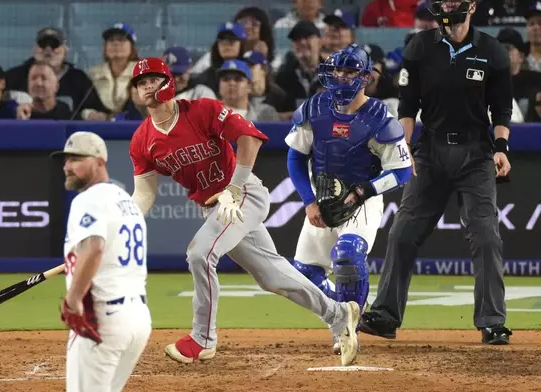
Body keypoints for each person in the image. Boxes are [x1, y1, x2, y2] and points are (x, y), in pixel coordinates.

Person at [127, 58, 360, 367]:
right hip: (212, 208)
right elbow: (145, 192)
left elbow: (249, 139)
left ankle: (202, 339)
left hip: (242, 193)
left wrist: (234, 190)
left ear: (168, 82)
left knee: (200, 254)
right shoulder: (142, 140)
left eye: (152, 80)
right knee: (272, 276)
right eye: (141, 83)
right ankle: (339, 314)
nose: (147, 86)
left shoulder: (202, 109)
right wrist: (124, 221)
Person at [359, 0, 514, 345]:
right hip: (429, 151)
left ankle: (492, 322)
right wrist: (404, 151)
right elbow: (408, 106)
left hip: (477, 153)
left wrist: (501, 148)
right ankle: (385, 315)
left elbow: (502, 108)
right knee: (402, 233)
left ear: (471, 6)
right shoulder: (419, 46)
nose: (447, 6)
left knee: (486, 236)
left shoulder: (492, 51)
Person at [286, 44, 413, 355]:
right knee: (303, 276)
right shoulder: (314, 109)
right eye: (337, 70)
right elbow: (295, 159)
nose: (341, 77)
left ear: (365, 77)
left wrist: (362, 192)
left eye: (350, 71)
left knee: (347, 255)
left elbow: (402, 171)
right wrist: (309, 201)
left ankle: (346, 332)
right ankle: (341, 313)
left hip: (361, 198)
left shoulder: (379, 118)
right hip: (323, 196)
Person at [54, 131, 152, 392]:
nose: (67, 167)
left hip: (103, 317)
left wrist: (73, 299)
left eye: (76, 159)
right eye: (66, 161)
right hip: (138, 320)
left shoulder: (88, 199)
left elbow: (95, 247)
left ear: (99, 162)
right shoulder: (126, 202)